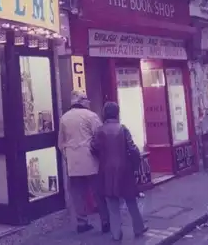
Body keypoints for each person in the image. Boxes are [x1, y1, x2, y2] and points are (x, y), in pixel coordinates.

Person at [91, 102, 148, 241]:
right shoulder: (123, 129)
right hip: (124, 169)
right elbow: (133, 149)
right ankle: (139, 227)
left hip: (106, 170)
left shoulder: (99, 131)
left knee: (112, 204)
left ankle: (116, 233)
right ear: (117, 113)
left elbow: (93, 147)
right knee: (131, 201)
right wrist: (135, 164)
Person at [58, 91, 109, 233]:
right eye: (87, 100)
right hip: (91, 160)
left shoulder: (64, 118)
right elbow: (100, 137)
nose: (89, 102)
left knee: (77, 193)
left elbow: (61, 143)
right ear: (81, 101)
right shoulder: (91, 116)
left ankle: (82, 222)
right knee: (98, 192)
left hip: (73, 162)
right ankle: (105, 221)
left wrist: (68, 156)